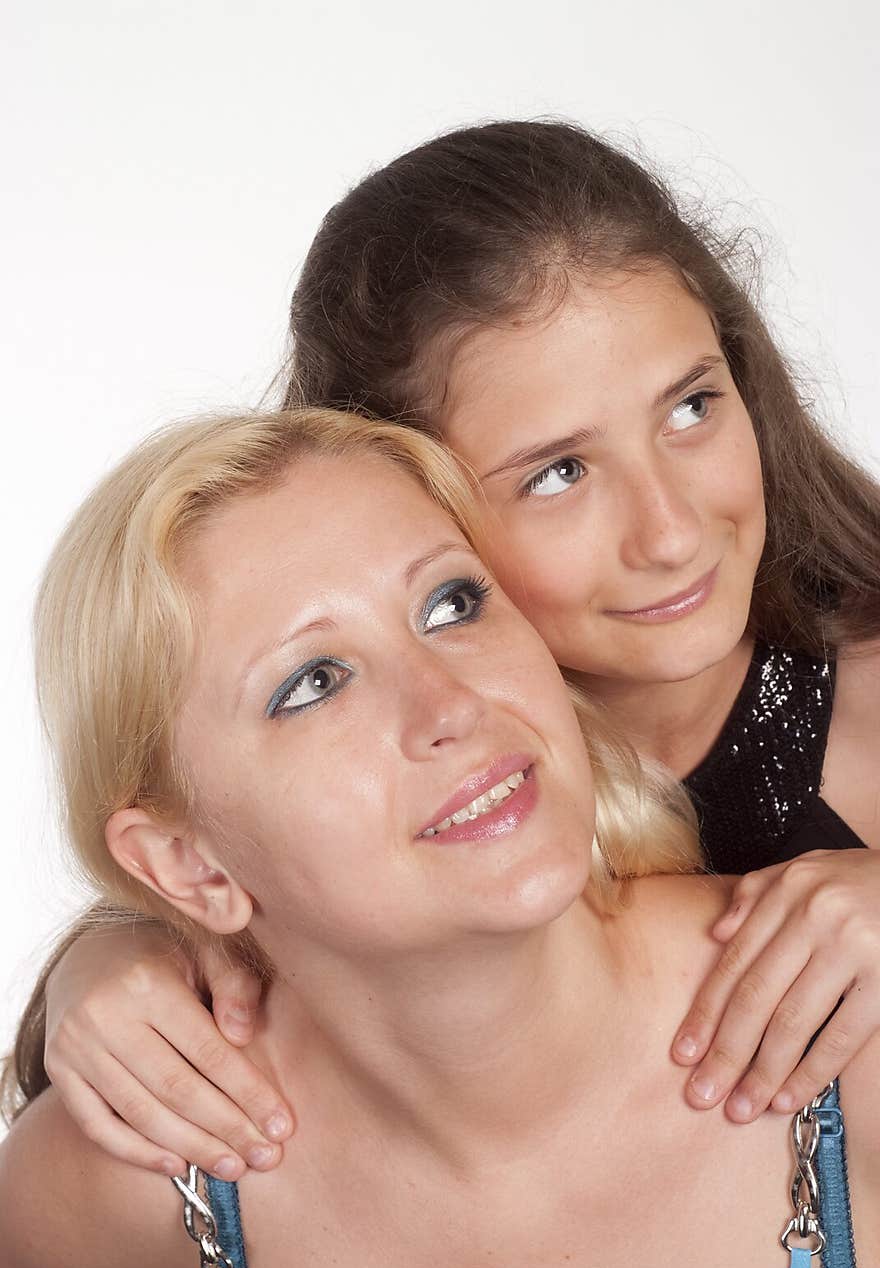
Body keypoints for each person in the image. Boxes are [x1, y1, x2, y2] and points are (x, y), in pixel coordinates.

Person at [19, 119, 880, 1185]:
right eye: (558, 472)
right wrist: (99, 970)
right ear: (397, 492)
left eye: (693, 405)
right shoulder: (404, 791)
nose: (668, 529)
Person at [1, 408, 874, 1268]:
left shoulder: (846, 1036)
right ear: (189, 867)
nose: (449, 701)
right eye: (314, 683)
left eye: (452, 604)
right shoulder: (171, 1155)